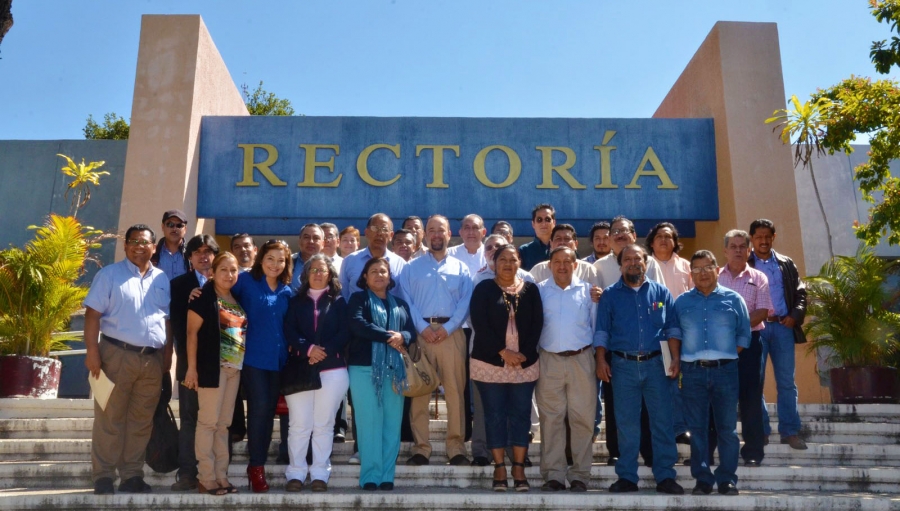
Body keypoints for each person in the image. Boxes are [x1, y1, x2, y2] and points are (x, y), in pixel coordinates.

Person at [83, 224, 171, 495]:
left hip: (151, 361)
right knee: (110, 418)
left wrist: (167, 357)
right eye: (133, 241)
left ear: (154, 247)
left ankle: (132, 475)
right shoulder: (109, 275)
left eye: (144, 242)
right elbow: (92, 315)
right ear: (125, 246)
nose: (138, 246)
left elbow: (166, 320)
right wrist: (92, 352)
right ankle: (104, 477)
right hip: (115, 355)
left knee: (141, 421)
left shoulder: (161, 279)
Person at [594, 244, 683, 495]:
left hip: (657, 365)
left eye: (638, 259)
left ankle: (665, 476)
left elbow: (672, 328)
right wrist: (601, 360)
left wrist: (675, 358)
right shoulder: (610, 295)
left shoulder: (661, 292)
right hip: (622, 366)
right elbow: (602, 331)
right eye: (628, 259)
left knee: (663, 422)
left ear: (646, 263)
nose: (633, 263)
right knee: (627, 424)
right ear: (620, 265)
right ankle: (627, 477)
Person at [674, 250, 750, 496]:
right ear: (691, 274)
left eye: (707, 267)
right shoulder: (681, 302)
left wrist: (722, 355)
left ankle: (727, 479)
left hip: (725, 372)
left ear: (717, 270)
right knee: (696, 429)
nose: (702, 273)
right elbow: (674, 334)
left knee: (726, 429)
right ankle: (703, 479)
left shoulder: (734, 299)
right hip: (693, 373)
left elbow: (743, 335)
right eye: (696, 269)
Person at [593, 216, 667, 465]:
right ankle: (618, 454)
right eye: (615, 231)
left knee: (651, 410)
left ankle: (649, 453)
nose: (620, 234)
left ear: (634, 235)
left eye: (625, 230)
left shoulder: (650, 264)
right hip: (619, 352)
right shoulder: (599, 267)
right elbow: (599, 312)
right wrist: (600, 356)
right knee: (618, 409)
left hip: (651, 352)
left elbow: (660, 305)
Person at [401, 214, 474, 466]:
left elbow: (466, 302)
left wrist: (448, 327)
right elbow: (406, 301)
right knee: (420, 392)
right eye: (431, 230)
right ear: (424, 235)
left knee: (455, 392)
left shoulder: (461, 267)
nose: (435, 235)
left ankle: (456, 449)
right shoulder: (411, 267)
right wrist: (422, 327)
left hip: (452, 335)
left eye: (440, 230)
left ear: (448, 233)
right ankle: (421, 448)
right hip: (421, 335)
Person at [469, 244, 543, 492]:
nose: (508, 264)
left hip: (524, 363)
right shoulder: (483, 289)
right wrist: (503, 352)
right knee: (495, 415)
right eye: (503, 259)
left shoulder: (531, 289)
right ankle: (499, 468)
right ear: (493, 262)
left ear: (520, 262)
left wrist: (523, 354)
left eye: (513, 259)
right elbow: (480, 323)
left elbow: (537, 323)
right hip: (489, 362)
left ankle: (519, 467)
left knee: (521, 416)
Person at [228, 239, 293, 492]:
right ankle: (256, 467)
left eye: (281, 260)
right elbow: (221, 295)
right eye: (270, 259)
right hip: (252, 358)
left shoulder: (287, 291)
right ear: (260, 259)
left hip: (278, 361)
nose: (275, 264)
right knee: (260, 408)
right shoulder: (245, 281)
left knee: (268, 414)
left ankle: (258, 463)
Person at [347, 257, 417, 491]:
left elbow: (411, 332)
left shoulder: (400, 304)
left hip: (395, 371)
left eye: (383, 271)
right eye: (373, 271)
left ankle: (387, 475)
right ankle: (370, 476)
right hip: (364, 369)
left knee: (391, 424)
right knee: (369, 424)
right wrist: (390, 337)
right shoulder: (358, 299)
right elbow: (357, 325)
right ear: (365, 277)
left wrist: (403, 337)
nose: (379, 275)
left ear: (390, 277)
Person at [282, 254, 350, 492]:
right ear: (306, 274)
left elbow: (345, 332)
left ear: (330, 274)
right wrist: (308, 348)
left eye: (323, 270)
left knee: (324, 424)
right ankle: (296, 474)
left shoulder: (339, 302)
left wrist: (325, 351)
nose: (318, 274)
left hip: (332, 370)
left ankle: (320, 473)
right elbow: (289, 330)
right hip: (301, 369)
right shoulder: (294, 301)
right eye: (313, 270)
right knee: (299, 424)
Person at [182, 252, 246, 496]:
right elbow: (191, 335)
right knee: (208, 423)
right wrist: (191, 369)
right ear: (212, 273)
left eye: (233, 270)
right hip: (212, 369)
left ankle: (221, 476)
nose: (229, 275)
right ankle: (205, 477)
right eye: (224, 270)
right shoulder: (202, 298)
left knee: (224, 425)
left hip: (234, 369)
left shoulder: (236, 299)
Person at [535, 247, 597, 493]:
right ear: (550, 265)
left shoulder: (589, 293)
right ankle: (553, 475)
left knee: (582, 419)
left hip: (582, 359)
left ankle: (580, 475)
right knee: (551, 419)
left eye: (567, 262)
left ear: (575, 264)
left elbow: (595, 324)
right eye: (557, 262)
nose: (562, 266)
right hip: (549, 359)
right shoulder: (539, 291)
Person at [747, 219, 808, 450]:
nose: (763, 240)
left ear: (773, 237)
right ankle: (761, 431)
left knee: (786, 382)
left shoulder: (786, 263)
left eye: (767, 236)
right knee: (756, 382)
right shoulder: (746, 263)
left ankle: (790, 431)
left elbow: (801, 293)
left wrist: (795, 314)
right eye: (758, 236)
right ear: (752, 238)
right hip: (756, 328)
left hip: (783, 327)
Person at [715, 229, 774, 466]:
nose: (738, 250)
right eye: (734, 246)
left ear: (749, 250)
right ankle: (717, 450)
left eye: (742, 246)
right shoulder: (716, 276)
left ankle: (752, 452)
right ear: (725, 250)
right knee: (717, 398)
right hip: (719, 346)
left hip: (750, 343)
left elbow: (762, 311)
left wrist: (736, 328)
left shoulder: (759, 278)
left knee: (751, 398)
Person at [169, 234, 219, 491]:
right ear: (189, 257)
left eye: (208, 251)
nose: (204, 256)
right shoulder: (179, 285)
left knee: (217, 420)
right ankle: (187, 472)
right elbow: (178, 327)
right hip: (191, 364)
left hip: (223, 366)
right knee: (190, 418)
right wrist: (192, 305)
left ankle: (215, 472)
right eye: (197, 251)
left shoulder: (229, 282)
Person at [341, 213, 408, 301]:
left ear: (391, 235)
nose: (379, 233)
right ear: (366, 232)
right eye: (375, 228)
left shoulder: (400, 264)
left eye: (384, 229)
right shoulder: (350, 261)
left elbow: (404, 297)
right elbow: (344, 295)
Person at [529, 224, 602, 288]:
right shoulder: (538, 270)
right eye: (558, 239)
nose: (562, 242)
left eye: (567, 239)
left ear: (576, 244)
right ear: (551, 243)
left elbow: (596, 297)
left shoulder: (588, 270)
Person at [646, 222, 692, 299]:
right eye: (659, 236)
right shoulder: (646, 266)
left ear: (674, 243)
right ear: (652, 243)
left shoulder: (686, 265)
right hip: (655, 310)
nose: (663, 239)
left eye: (667, 236)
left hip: (681, 310)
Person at [151, 209, 189, 280]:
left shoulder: (191, 254)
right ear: (162, 227)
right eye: (170, 224)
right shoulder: (153, 253)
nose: (174, 229)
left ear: (185, 229)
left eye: (179, 225)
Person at [519, 204, 555, 271]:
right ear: (533, 224)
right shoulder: (524, 251)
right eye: (539, 219)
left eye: (547, 219)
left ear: (554, 222)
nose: (544, 223)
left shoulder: (562, 247)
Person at [291, 223, 325, 292]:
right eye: (306, 237)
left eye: (316, 238)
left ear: (323, 244)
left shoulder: (329, 266)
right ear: (299, 241)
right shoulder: (288, 262)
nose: (311, 241)